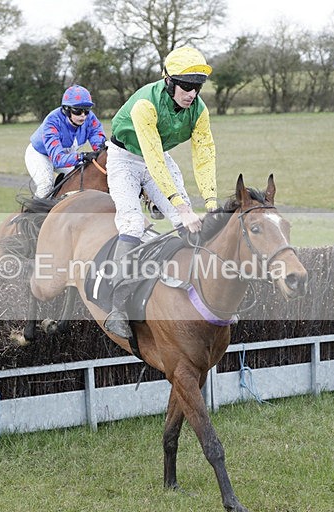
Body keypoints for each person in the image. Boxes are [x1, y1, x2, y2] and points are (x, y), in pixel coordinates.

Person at [103, 46, 218, 338]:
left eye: (198, 87)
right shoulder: (145, 104)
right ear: (169, 81)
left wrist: (211, 202)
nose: (192, 94)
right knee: (131, 223)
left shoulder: (199, 110)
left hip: (158, 158)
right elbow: (152, 159)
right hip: (125, 159)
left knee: (187, 224)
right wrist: (182, 206)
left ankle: (206, 294)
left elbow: (204, 154)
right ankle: (118, 308)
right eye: (186, 86)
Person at [25, 85, 106, 198]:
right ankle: (33, 209)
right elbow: (58, 159)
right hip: (40, 155)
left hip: (66, 155)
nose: (83, 115)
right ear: (66, 110)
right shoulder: (52, 122)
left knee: (79, 179)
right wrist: (81, 156)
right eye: (78, 111)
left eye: (86, 110)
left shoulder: (90, 119)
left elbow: (100, 145)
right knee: (46, 184)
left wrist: (100, 152)